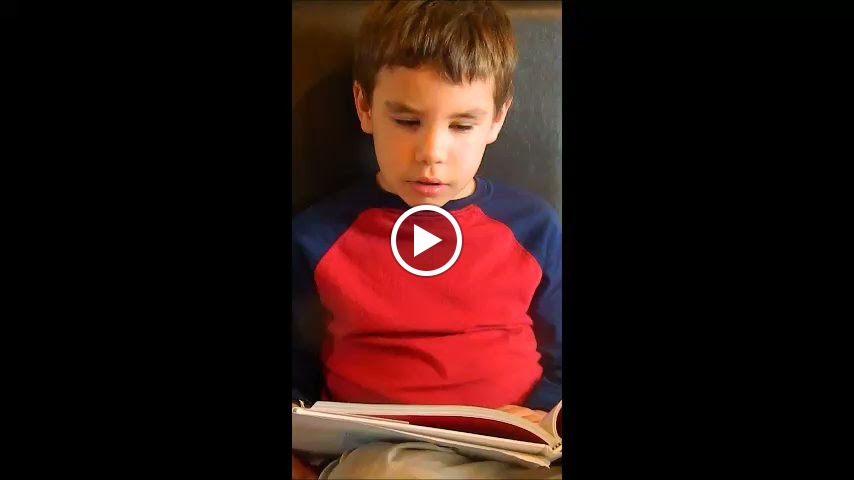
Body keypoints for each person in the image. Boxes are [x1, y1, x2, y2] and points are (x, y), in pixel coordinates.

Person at [291, 1, 562, 478]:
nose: (431, 153)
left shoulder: (533, 226)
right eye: (407, 121)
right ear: (364, 106)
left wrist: (542, 411)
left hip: (522, 445)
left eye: (462, 125)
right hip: (385, 452)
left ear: (497, 120)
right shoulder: (317, 235)